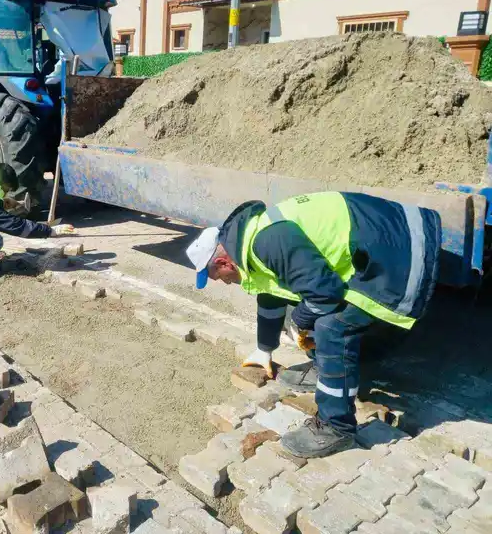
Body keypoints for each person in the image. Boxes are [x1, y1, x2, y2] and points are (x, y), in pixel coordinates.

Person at [185, 192, 441, 458]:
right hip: (387, 246)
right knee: (306, 306)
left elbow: (325, 295)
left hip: (402, 258)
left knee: (332, 327)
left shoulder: (267, 242)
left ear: (223, 262)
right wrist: (264, 350)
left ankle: (336, 427)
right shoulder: (250, 242)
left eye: (216, 276)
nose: (223, 282)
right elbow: (271, 296)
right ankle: (326, 368)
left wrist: (300, 320)